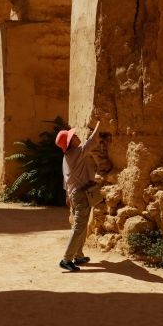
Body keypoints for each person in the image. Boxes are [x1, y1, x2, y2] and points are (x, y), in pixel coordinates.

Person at [56, 110, 100, 272]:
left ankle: (79, 256)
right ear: (70, 142)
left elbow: (66, 179)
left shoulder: (66, 157)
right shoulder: (77, 153)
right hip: (81, 194)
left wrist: (68, 195)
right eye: (73, 136)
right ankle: (66, 259)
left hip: (75, 194)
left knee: (81, 225)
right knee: (79, 226)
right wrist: (99, 123)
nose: (76, 136)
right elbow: (92, 141)